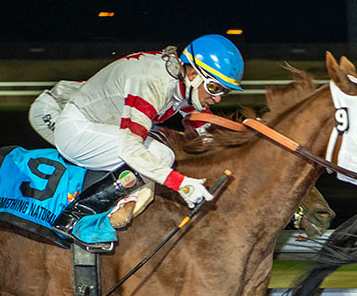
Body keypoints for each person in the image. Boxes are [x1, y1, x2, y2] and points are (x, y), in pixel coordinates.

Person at [26, 34, 244, 248]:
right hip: (76, 131)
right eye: (214, 88)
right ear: (194, 74)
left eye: (224, 92)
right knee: (161, 154)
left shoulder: (180, 79)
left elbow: (201, 127)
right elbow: (130, 149)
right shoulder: (154, 82)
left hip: (101, 123)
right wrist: (182, 185)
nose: (217, 98)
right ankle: (77, 217)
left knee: (167, 139)